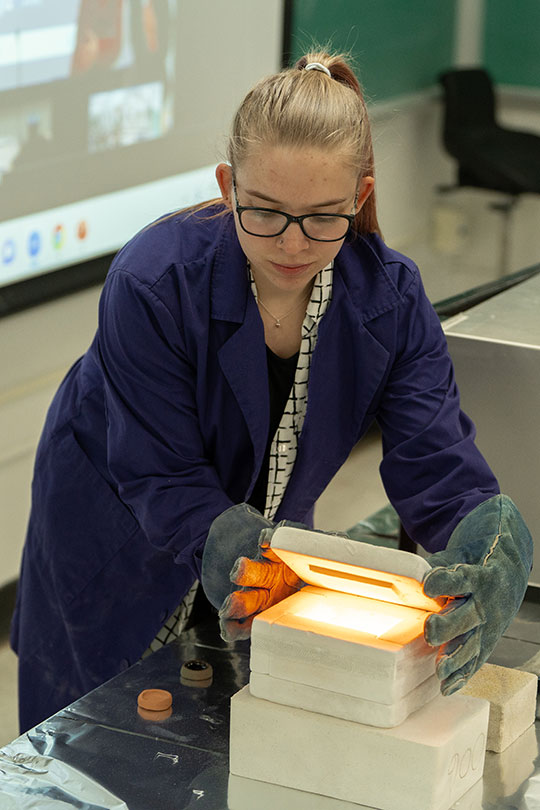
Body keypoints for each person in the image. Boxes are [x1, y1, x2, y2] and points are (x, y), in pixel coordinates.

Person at [11, 51, 532, 734]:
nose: (292, 244)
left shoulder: (391, 300)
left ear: (361, 198)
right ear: (228, 186)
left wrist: (488, 539)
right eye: (265, 213)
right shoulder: (154, 281)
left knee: (237, 723)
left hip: (259, 533)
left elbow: (436, 464)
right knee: (98, 738)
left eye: (323, 218)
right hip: (119, 531)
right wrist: (237, 547)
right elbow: (161, 476)